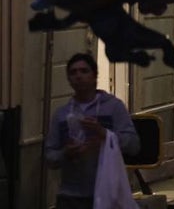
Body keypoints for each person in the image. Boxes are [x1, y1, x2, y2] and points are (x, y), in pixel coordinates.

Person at [45, 53, 141, 209]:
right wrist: (66, 153)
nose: (79, 76)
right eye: (73, 72)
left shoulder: (113, 107)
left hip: (107, 192)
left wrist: (104, 134)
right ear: (69, 79)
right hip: (70, 196)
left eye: (84, 71)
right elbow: (50, 157)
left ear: (95, 75)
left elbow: (133, 145)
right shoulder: (61, 115)